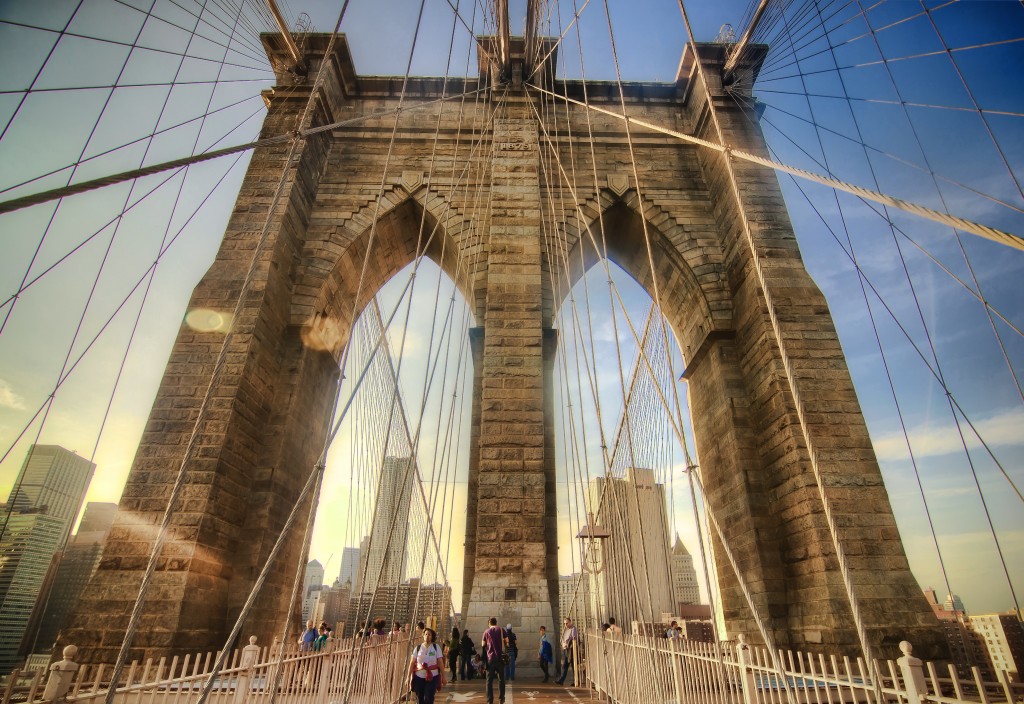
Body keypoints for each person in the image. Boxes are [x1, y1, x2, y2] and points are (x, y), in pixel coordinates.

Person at [409, 627, 445, 704]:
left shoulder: (436, 647)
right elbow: (412, 662)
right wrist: (408, 677)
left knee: (429, 696)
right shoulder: (418, 648)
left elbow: (440, 662)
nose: (427, 636)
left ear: (432, 637)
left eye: (429, 634)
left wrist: (444, 677)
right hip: (419, 676)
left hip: (433, 676)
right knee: (420, 698)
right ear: (423, 636)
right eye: (426, 634)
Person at [481, 617, 506, 704]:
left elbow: (483, 644)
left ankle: (489, 700)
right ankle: (501, 699)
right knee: (501, 679)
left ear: (489, 623)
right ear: (496, 623)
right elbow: (507, 640)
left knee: (489, 681)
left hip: (490, 659)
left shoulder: (486, 631)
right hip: (500, 659)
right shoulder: (501, 630)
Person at [555, 617, 577, 686]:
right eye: (564, 623)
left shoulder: (573, 629)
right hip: (565, 649)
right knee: (564, 665)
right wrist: (563, 643)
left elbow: (573, 638)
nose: (566, 625)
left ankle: (576, 681)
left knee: (574, 665)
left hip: (571, 649)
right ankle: (561, 680)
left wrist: (567, 642)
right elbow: (562, 639)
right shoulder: (565, 629)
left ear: (570, 622)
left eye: (567, 623)